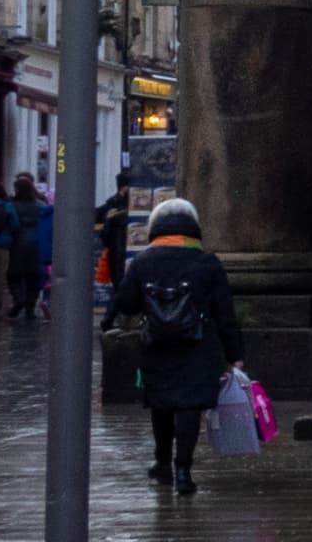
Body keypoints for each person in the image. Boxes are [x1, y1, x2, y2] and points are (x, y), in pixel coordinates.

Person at [104, 198, 242, 496]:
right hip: (198, 347)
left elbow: (127, 304)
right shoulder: (207, 263)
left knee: (161, 404)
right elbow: (225, 313)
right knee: (189, 406)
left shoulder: (143, 262)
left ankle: (163, 462)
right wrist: (235, 355)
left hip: (157, 345)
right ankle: (183, 471)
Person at [6, 174, 48, 322]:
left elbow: (10, 225)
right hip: (37, 244)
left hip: (16, 244)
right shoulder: (40, 205)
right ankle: (30, 310)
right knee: (34, 278)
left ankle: (19, 298)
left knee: (14, 275)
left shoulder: (11, 205)